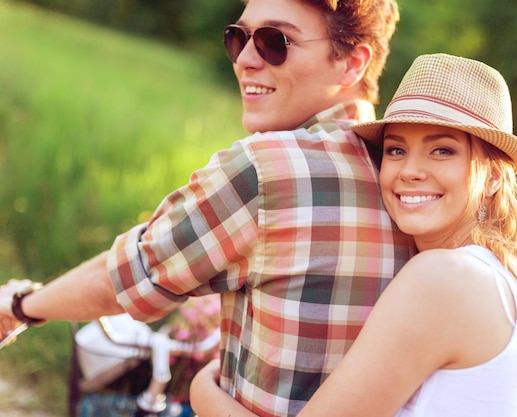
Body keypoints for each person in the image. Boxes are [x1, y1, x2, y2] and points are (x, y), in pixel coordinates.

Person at [0, 0, 414, 416]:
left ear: (351, 63)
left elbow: (128, 276)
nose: (245, 60)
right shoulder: (415, 185)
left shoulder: (268, 167)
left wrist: (21, 307)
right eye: (238, 38)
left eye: (276, 41)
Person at [188, 54, 517, 417]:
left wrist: (203, 394)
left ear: (495, 177)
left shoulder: (444, 279)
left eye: (442, 151)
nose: (409, 170)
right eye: (396, 150)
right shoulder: (508, 278)